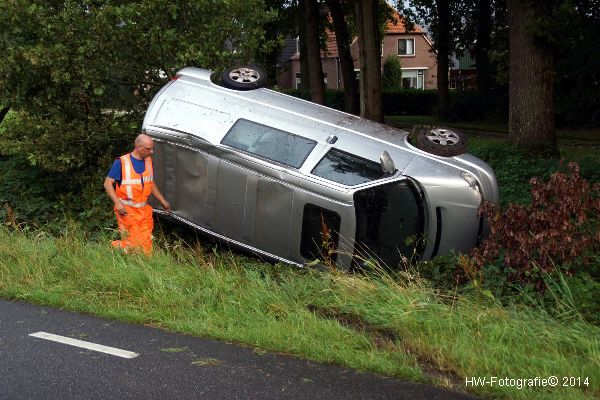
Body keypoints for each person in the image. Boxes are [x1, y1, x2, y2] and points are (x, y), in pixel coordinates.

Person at [104, 133, 170, 254]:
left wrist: (162, 201)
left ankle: (145, 267)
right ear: (138, 147)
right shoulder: (122, 162)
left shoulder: (148, 160)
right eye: (148, 148)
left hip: (144, 211)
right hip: (126, 211)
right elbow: (107, 184)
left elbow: (150, 182)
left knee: (146, 244)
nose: (152, 152)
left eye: (152, 148)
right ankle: (111, 248)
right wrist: (117, 204)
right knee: (135, 244)